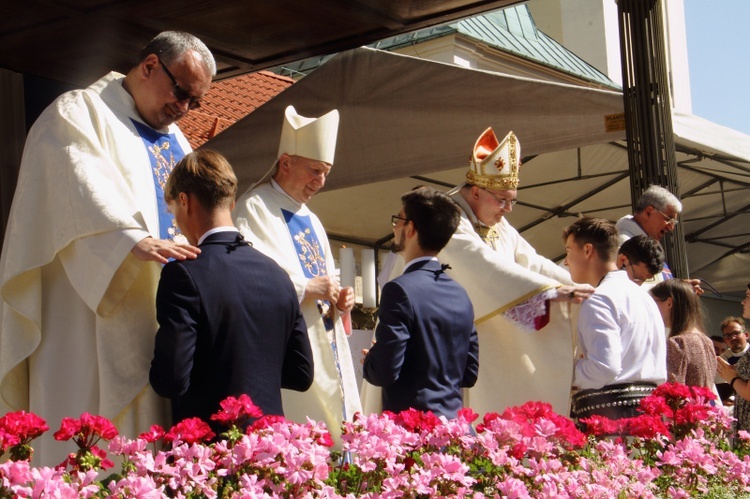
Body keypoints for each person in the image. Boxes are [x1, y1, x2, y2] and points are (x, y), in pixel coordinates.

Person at [0, 31, 215, 466]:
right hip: (85, 307)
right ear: (150, 65)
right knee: (85, 436)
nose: (184, 108)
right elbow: (75, 178)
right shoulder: (80, 111)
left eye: (196, 101)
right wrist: (128, 238)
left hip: (162, 313)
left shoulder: (179, 142)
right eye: (181, 92)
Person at [431, 127, 594, 417]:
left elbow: (531, 260)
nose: (508, 209)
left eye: (512, 200)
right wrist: (549, 292)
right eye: (502, 199)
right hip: (447, 341)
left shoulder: (498, 224)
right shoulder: (445, 219)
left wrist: (577, 286)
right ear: (477, 191)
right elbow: (482, 265)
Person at [149, 150, 314, 434]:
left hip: (212, 453)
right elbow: (301, 374)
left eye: (173, 209)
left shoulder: (184, 274)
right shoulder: (278, 275)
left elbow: (171, 379)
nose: (175, 221)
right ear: (231, 203)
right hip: (272, 451)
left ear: (185, 201)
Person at [232, 105, 361, 443]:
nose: (320, 181)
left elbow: (327, 279)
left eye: (326, 173)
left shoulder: (312, 219)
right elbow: (250, 280)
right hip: (290, 349)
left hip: (327, 341)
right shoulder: (255, 208)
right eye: (315, 170)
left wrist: (341, 299)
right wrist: (306, 286)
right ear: (286, 162)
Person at [362, 187, 478, 418]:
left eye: (399, 220)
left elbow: (384, 372)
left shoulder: (399, 289)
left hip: (414, 432)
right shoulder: (461, 293)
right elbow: (469, 373)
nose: (395, 227)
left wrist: (371, 359)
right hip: (454, 431)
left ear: (411, 228)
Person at [564, 217, 666, 422]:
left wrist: (567, 369)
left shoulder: (599, 298)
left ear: (587, 250)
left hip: (613, 421)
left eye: (568, 252)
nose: (566, 262)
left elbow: (604, 367)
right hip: (650, 415)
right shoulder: (643, 296)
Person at [650, 280, 717, 390]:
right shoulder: (706, 340)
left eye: (653, 302)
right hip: (703, 406)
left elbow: (672, 393)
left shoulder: (678, 343)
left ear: (669, 303)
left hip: (686, 406)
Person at [717, 284, 750, 436]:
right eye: (728, 336)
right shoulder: (724, 358)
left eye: (748, 296)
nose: (743, 302)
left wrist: (732, 377)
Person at [616, 185, 682, 246]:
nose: (671, 228)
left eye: (674, 222)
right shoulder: (625, 245)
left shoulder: (641, 244)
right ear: (648, 212)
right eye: (668, 219)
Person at [714, 317, 749, 404]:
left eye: (736, 333)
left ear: (746, 335)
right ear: (725, 340)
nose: (733, 338)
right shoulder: (722, 361)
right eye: (728, 335)